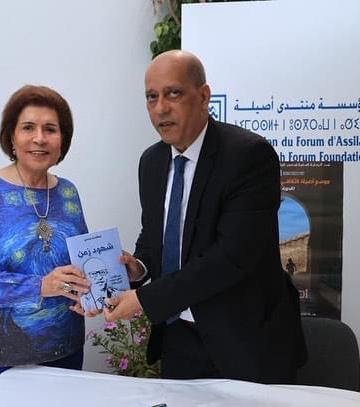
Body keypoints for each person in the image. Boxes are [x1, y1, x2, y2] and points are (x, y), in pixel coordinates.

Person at [105, 50, 307, 383]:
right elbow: (155, 235)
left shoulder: (248, 156)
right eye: (151, 97)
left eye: (173, 93)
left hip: (247, 341)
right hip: (179, 339)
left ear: (203, 96)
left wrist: (143, 299)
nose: (160, 108)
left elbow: (231, 258)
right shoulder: (151, 162)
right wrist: (138, 266)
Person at [0, 85, 93, 393]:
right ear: (12, 137)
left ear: (62, 140)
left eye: (50, 129)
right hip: (2, 360)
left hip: (66, 352)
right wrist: (39, 286)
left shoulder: (68, 192)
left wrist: (96, 285)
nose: (39, 138)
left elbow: (79, 264)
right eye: (28, 127)